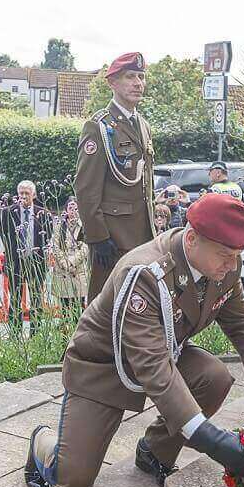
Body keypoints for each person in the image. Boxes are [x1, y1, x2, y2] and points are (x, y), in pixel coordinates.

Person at [24, 193, 244, 487]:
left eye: (236, 255)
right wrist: (212, 441)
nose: (232, 266)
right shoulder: (145, 274)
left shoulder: (222, 264)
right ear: (191, 239)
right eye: (225, 255)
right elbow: (153, 368)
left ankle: (154, 451)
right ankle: (40, 441)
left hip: (162, 354)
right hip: (104, 367)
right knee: (72, 480)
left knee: (213, 377)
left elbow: (241, 322)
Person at [75, 52, 155, 302]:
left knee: (137, 306)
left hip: (143, 235)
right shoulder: (98, 127)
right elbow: (86, 188)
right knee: (104, 306)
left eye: (141, 77)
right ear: (112, 83)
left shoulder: (142, 124)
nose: (138, 83)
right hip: (113, 238)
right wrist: (97, 237)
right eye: (130, 76)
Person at [0, 181, 53, 336]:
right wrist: (14, 252)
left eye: (27, 193)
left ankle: (35, 334)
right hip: (15, 262)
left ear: (34, 195)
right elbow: (3, 234)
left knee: (36, 299)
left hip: (36, 262)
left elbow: (48, 235)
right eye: (21, 193)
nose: (23, 196)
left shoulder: (43, 213)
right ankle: (15, 335)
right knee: (15, 300)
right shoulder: (8, 212)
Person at [50, 197, 88, 317]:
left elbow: (85, 248)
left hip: (78, 270)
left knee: (80, 306)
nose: (73, 211)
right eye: (70, 208)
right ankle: (66, 333)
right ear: (66, 210)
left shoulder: (84, 226)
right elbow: (55, 246)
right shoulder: (59, 226)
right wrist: (64, 262)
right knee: (65, 307)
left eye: (76, 208)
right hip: (63, 271)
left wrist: (71, 261)